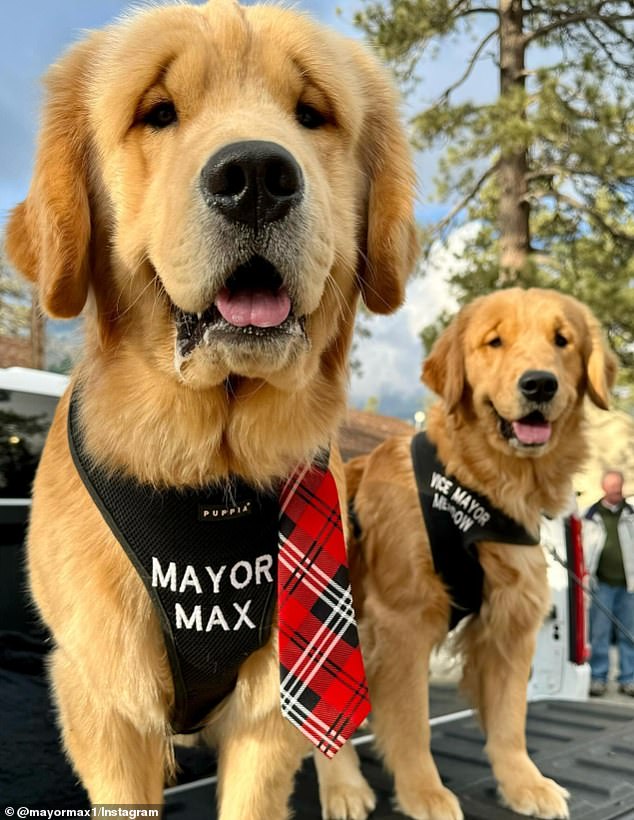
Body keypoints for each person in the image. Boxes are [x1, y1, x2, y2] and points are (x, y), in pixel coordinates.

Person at [583, 470, 634, 697]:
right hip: (601, 584)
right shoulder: (590, 516)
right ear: (604, 488)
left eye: (619, 487)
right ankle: (598, 677)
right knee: (599, 633)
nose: (616, 491)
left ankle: (629, 678)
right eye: (612, 487)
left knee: (628, 633)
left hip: (629, 586)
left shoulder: (631, 514)